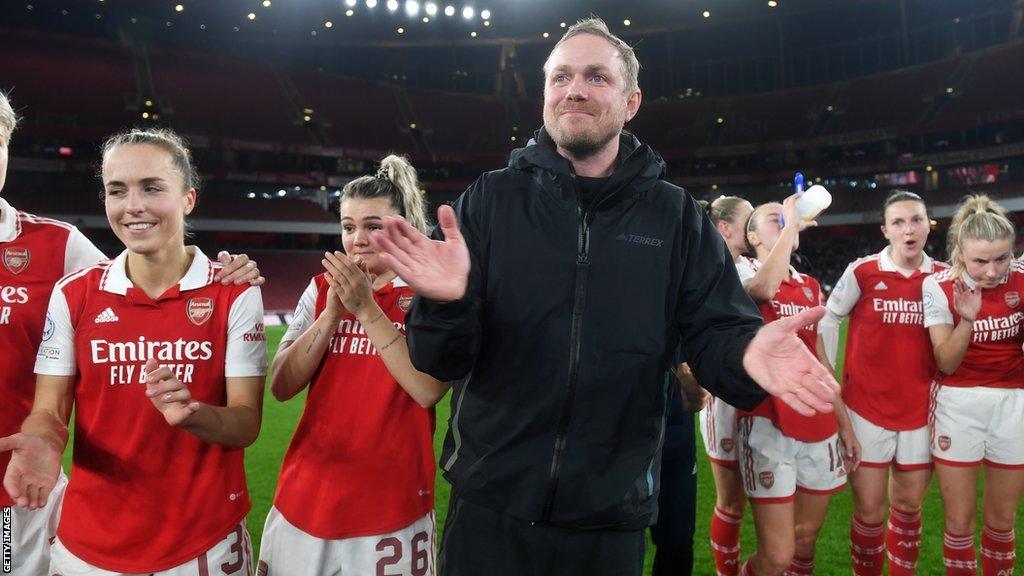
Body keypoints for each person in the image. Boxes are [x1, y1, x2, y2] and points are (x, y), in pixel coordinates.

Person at [370, 18, 840, 576]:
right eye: (561, 76)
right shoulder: (490, 201)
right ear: (544, 94)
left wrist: (744, 353)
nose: (575, 89)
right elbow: (439, 360)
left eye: (597, 77)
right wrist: (447, 303)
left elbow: (717, 331)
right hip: (491, 503)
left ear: (631, 100)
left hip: (609, 514)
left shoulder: (674, 216)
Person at [0, 93, 262, 574]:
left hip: (200, 542)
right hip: (87, 543)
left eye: (151, 187)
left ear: (188, 197)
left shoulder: (232, 293)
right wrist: (43, 439)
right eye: (117, 190)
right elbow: (49, 410)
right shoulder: (76, 293)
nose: (132, 206)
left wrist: (193, 414)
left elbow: (246, 424)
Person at [258, 155, 447, 575]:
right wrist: (329, 317)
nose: (357, 239)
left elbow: (427, 389)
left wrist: (366, 310)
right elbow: (281, 386)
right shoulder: (321, 288)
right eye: (348, 226)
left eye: (373, 226)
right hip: (306, 499)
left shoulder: (429, 292)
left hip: (391, 506)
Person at [821, 190, 945, 576]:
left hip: (922, 411)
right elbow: (828, 319)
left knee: (909, 507)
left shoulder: (944, 276)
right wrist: (829, 378)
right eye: (899, 222)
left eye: (916, 220)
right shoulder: (863, 271)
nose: (909, 229)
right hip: (865, 411)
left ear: (929, 225)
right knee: (870, 512)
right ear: (885, 230)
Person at [736, 197, 860, 576]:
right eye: (773, 219)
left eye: (786, 218)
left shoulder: (809, 285)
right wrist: (790, 225)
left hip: (816, 421)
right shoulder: (739, 271)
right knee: (775, 556)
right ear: (752, 236)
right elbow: (762, 290)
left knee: (805, 540)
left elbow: (820, 361)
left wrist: (844, 423)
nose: (786, 221)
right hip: (767, 422)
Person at [923, 195, 1024, 576]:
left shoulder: (1022, 279)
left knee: (1001, 522)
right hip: (957, 404)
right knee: (959, 525)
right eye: (980, 261)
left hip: (1014, 404)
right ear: (961, 253)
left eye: (1002, 258)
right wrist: (966, 320)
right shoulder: (938, 286)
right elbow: (946, 362)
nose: (992, 270)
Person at [699, 195, 755, 576]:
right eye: (749, 220)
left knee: (757, 497)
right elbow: (763, 289)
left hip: (758, 396)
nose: (753, 228)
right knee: (731, 501)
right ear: (725, 228)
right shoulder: (707, 267)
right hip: (721, 397)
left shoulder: (753, 264)